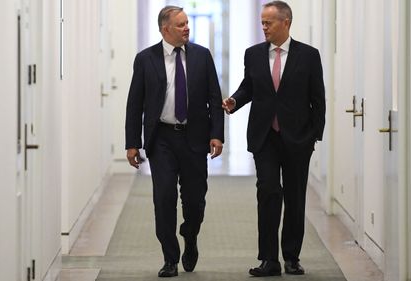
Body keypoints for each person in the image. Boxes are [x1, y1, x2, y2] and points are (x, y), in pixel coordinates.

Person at [222, 1, 325, 277]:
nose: (263, 27)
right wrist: (234, 101)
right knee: (267, 191)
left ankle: (291, 257)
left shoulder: (309, 55)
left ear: (286, 22)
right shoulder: (253, 54)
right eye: (262, 22)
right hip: (265, 136)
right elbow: (249, 87)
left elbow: (318, 98)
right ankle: (269, 259)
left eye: (268, 22)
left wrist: (315, 135)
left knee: (295, 196)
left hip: (298, 138)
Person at [125, 5, 224, 278]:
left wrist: (217, 134)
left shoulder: (202, 57)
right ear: (165, 29)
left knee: (194, 201)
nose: (186, 28)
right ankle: (170, 258)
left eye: (187, 23)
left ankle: (190, 236)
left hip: (195, 137)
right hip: (162, 140)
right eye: (180, 25)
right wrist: (132, 142)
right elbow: (135, 104)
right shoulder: (145, 59)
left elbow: (215, 99)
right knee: (164, 197)